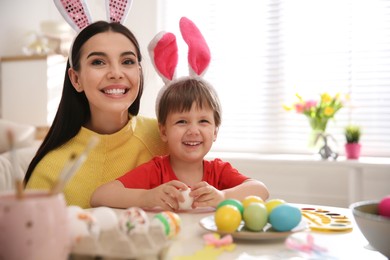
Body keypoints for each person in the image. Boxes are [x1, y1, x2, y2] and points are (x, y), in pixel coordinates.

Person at [24, 21, 167, 208]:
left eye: (127, 61)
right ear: (76, 79)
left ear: (138, 73)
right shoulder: (48, 173)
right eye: (98, 62)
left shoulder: (165, 137)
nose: (116, 73)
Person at [90, 78, 269, 211]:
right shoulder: (156, 171)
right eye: (182, 121)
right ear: (164, 131)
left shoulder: (218, 171)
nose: (193, 130)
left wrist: (223, 196)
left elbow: (261, 190)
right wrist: (146, 197)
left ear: (215, 132)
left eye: (203, 121)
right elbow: (100, 196)